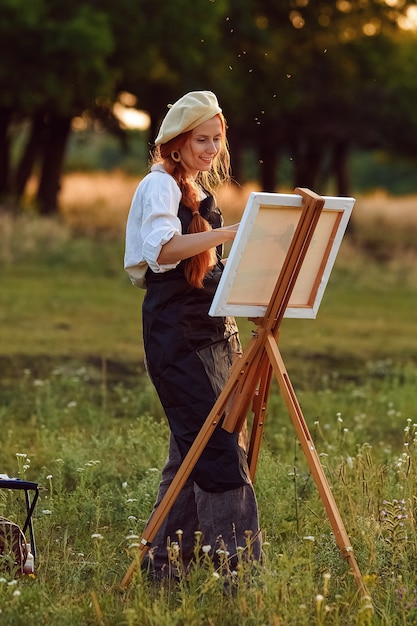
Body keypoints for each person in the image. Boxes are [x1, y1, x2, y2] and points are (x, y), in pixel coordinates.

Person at [124, 91, 262, 579]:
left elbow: (209, 272)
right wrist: (229, 235)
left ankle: (162, 570)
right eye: (201, 140)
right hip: (177, 337)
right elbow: (162, 251)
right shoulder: (158, 186)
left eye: (217, 140)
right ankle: (240, 576)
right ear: (177, 144)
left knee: (193, 449)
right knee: (217, 449)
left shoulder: (196, 188)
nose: (211, 150)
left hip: (213, 332)